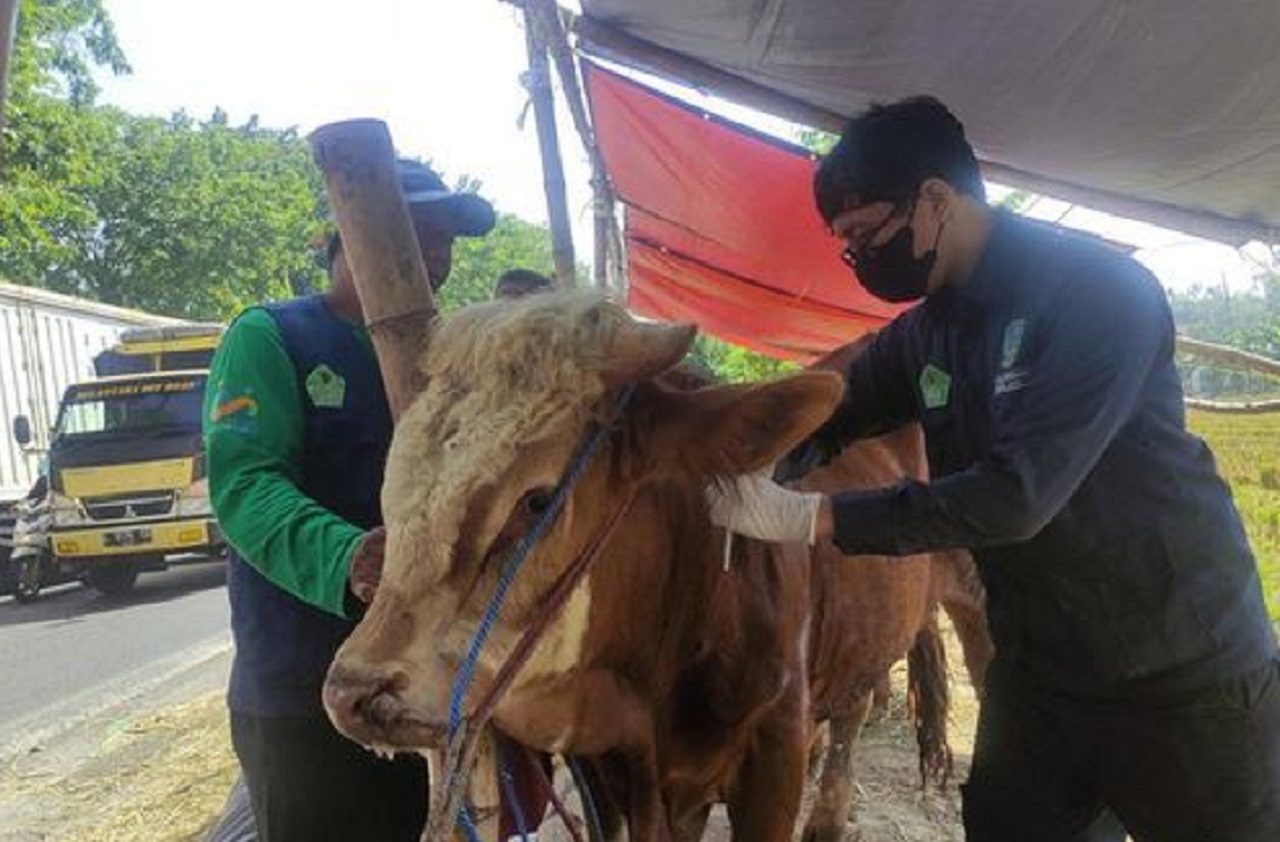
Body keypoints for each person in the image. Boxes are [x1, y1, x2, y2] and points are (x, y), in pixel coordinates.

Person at [706, 96, 1280, 841]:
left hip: (1181, 667)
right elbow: (832, 409)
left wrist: (813, 516)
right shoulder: (925, 335)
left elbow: (1018, 497)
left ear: (935, 201)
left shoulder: (1097, 294)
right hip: (1043, 673)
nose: (857, 260)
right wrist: (741, 462)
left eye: (865, 234)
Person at [205, 158, 495, 842]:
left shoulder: (448, 360)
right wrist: (348, 557)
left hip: (416, 678)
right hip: (300, 685)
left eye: (447, 238)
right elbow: (244, 484)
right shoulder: (272, 337)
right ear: (348, 233)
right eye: (419, 231)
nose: (437, 253)